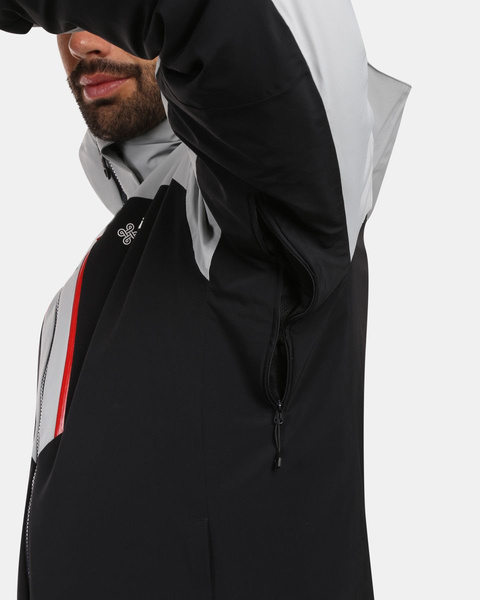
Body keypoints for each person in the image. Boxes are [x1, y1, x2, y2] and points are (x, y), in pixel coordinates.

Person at [0, 1, 412, 598]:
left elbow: (253, 28)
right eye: (64, 22)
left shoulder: (279, 200)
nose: (79, 41)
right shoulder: (111, 268)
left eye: (97, 15)